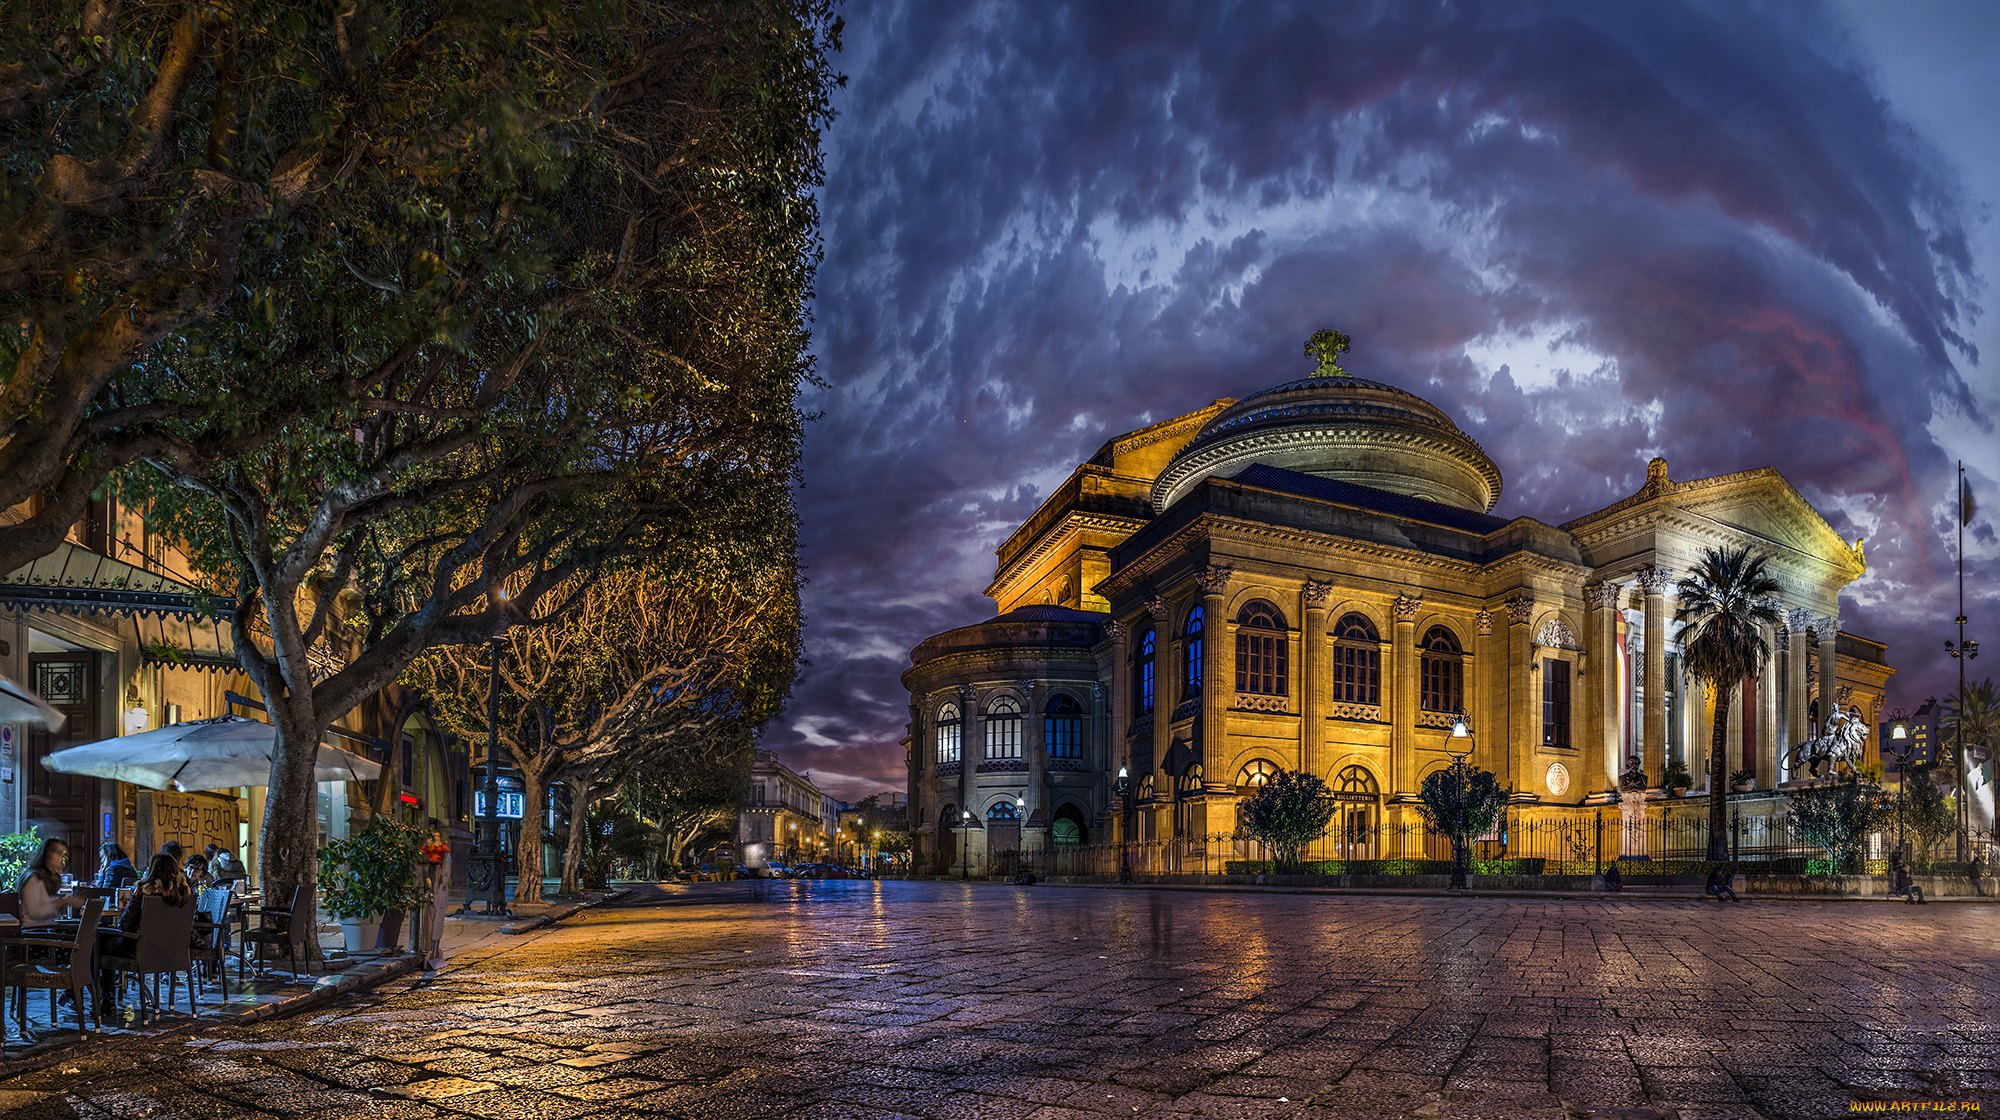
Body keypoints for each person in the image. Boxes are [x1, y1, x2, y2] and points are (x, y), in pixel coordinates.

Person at [100, 854, 197, 1011]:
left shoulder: (144, 891)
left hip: (142, 951)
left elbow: (125, 925)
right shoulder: (186, 893)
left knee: (101, 941)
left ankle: (106, 1000)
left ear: (151, 870)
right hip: (174, 951)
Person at [17, 838, 82, 926]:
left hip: (48, 929)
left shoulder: (48, 879)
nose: (62, 858)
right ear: (45, 854)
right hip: (34, 933)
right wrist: (62, 902)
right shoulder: (33, 878)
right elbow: (35, 912)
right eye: (58, 853)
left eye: (65, 854)